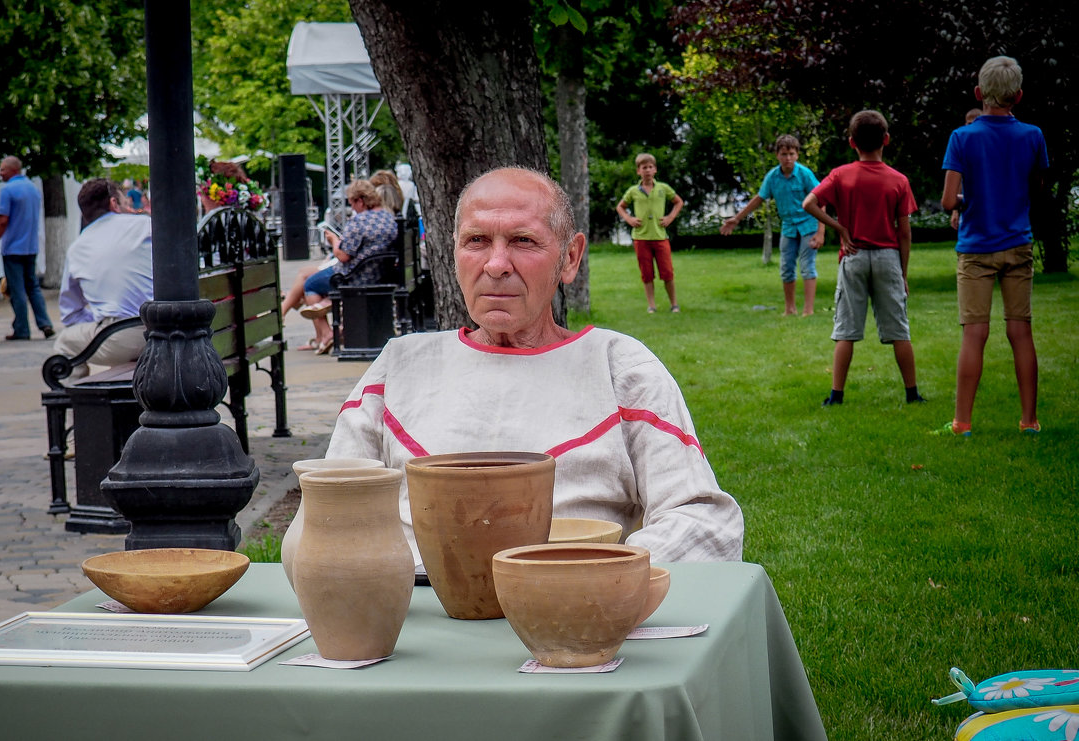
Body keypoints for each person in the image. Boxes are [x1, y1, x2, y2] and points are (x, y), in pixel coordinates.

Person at [326, 167, 744, 566]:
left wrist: (595, 579)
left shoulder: (618, 367)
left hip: (575, 609)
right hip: (412, 614)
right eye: (476, 241)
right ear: (452, 252)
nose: (496, 264)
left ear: (570, 258)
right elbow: (331, 510)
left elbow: (702, 520)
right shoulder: (401, 366)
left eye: (523, 241)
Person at [938, 56, 1048, 436]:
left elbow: (950, 201)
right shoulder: (1033, 136)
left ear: (979, 94)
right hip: (1018, 243)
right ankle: (1029, 420)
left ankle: (963, 422)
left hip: (976, 247)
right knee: (1021, 332)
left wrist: (972, 197)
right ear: (1018, 95)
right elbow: (1036, 190)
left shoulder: (962, 137)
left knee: (975, 333)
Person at [802, 111, 925, 408]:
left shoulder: (841, 175)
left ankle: (836, 396)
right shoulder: (898, 180)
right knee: (898, 329)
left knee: (846, 330)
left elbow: (810, 203)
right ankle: (912, 394)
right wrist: (903, 273)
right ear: (886, 140)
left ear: (851, 142)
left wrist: (840, 228)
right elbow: (904, 233)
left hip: (853, 257)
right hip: (887, 258)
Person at [53, 179, 153, 380]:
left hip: (124, 337)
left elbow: (71, 314)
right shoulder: (146, 225)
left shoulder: (77, 248)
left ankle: (77, 403)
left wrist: (104, 319)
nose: (130, 207)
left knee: (65, 342)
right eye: (126, 202)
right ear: (114, 204)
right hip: (171, 327)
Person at [720, 135, 826, 316]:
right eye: (784, 154)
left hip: (808, 224)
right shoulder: (772, 177)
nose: (788, 158)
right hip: (789, 227)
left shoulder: (805, 174)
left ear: (797, 155)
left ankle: (808, 310)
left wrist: (820, 232)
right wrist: (737, 218)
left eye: (792, 154)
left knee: (807, 266)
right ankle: (789, 309)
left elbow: (821, 199)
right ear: (777, 155)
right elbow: (759, 199)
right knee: (786, 268)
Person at [297, 179, 398, 354]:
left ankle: (327, 333)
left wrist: (334, 241)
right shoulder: (389, 218)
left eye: (352, 203)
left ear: (360, 200)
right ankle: (324, 310)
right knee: (316, 279)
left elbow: (343, 256)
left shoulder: (359, 221)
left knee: (310, 284)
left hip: (355, 276)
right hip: (380, 274)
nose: (352, 208)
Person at [0, 156, 54, 341]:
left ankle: (22, 330)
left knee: (17, 290)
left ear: (13, 170)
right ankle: (45, 323)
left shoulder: (8, 190)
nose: (0, 173)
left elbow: (3, 220)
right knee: (33, 286)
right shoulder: (33, 189)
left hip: (12, 248)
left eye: (2, 170)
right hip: (30, 247)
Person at [616, 153, 684, 313]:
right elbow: (620, 206)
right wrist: (629, 219)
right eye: (644, 167)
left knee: (667, 272)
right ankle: (651, 305)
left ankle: (674, 304)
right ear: (638, 171)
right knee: (647, 274)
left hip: (660, 236)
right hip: (641, 238)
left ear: (655, 170)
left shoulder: (663, 188)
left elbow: (678, 202)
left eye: (650, 167)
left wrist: (670, 217)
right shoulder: (633, 191)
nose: (647, 170)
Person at [948, 110, 984, 231]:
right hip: (969, 207)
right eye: (969, 124)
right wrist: (955, 211)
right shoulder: (962, 147)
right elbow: (957, 182)